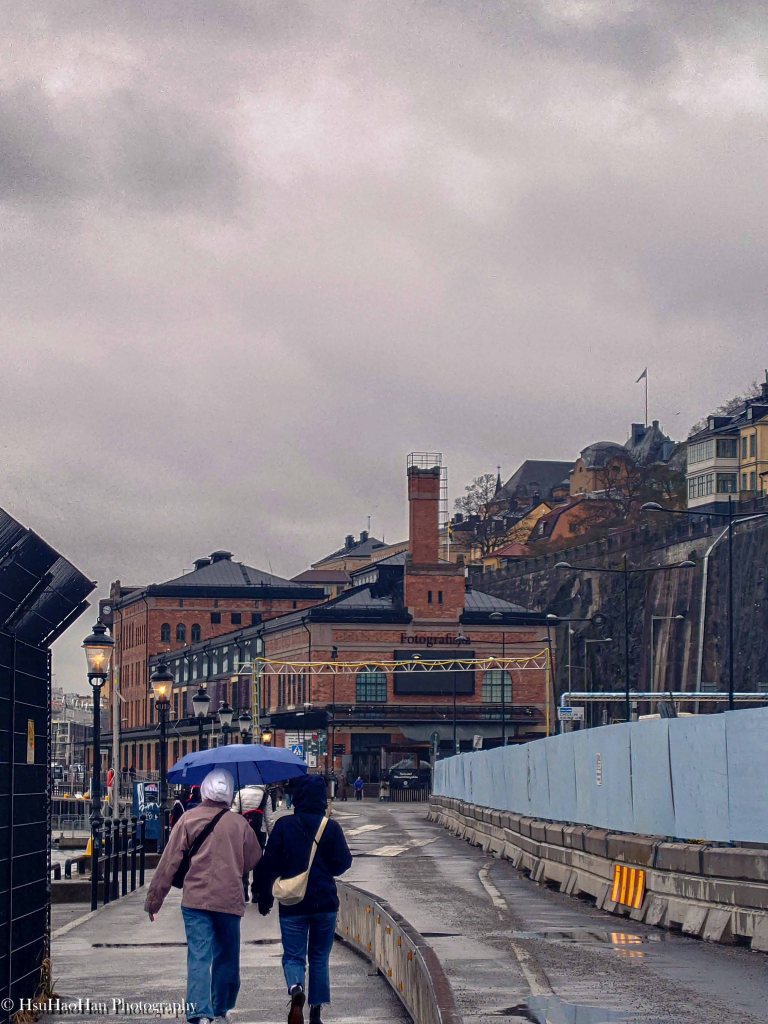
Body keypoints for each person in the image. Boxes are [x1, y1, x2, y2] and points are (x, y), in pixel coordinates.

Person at [144, 769, 262, 1024]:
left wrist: (155, 900)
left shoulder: (188, 819)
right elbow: (253, 859)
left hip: (195, 900)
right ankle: (221, 1006)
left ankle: (199, 1012)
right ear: (230, 792)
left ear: (205, 789)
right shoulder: (239, 824)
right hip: (229, 900)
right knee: (227, 956)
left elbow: (168, 863)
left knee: (199, 954)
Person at [254, 775, 352, 1024]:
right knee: (319, 957)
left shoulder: (284, 826)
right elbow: (343, 864)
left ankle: (296, 989)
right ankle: (316, 1011)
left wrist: (263, 897)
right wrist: (324, 867)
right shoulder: (331, 827)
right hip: (325, 903)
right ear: (321, 798)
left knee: (294, 955)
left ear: (297, 797)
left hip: (292, 903)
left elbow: (268, 864)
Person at [231, 784, 278, 900]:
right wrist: (272, 836)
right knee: (258, 861)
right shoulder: (265, 796)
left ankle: (244, 889)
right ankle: (256, 891)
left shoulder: (240, 793)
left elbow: (233, 813)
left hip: (243, 832)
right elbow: (269, 819)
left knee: (242, 859)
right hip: (259, 832)